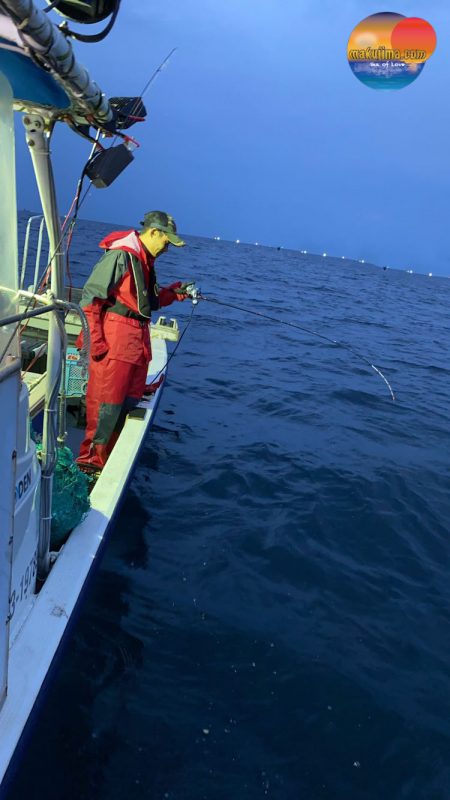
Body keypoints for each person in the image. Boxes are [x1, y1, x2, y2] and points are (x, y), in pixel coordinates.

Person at [75, 210, 187, 472]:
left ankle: (110, 461)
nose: (167, 247)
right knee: (105, 409)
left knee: (125, 405)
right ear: (153, 232)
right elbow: (90, 300)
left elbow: (149, 301)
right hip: (116, 342)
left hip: (135, 343)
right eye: (166, 241)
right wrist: (97, 343)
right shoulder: (122, 255)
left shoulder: (145, 260)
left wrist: (175, 293)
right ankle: (90, 467)